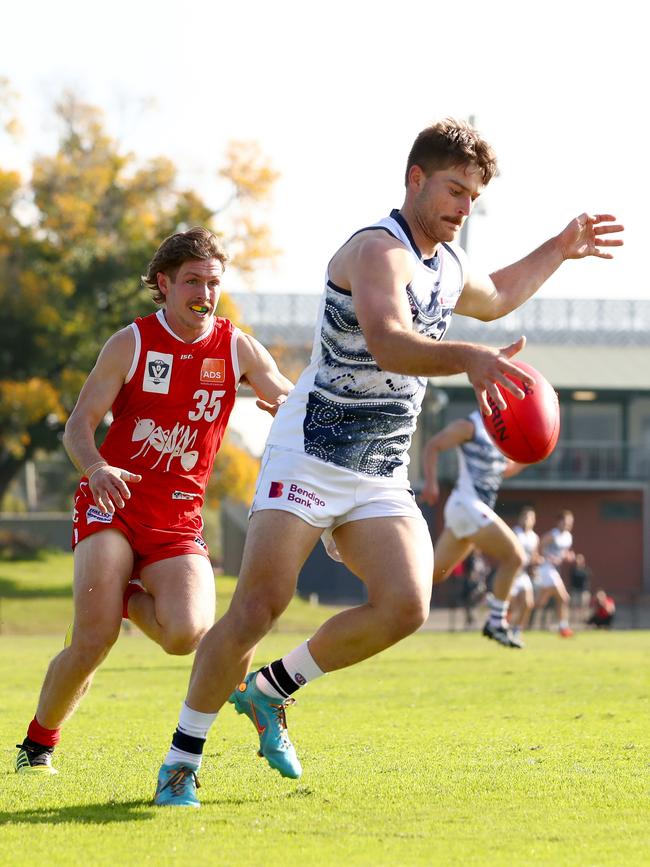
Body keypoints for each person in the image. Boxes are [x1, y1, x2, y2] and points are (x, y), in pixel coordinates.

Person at [152, 118, 623, 807]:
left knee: (407, 603)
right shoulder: (378, 250)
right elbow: (389, 340)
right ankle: (180, 761)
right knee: (258, 606)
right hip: (310, 449)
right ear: (414, 179)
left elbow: (493, 297)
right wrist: (468, 358)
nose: (463, 207)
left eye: (473, 197)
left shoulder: (448, 263)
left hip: (378, 464)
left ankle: (269, 690)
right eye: (454, 190)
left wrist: (560, 246)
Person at [14, 226, 292, 775]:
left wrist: (289, 407)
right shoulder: (131, 343)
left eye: (213, 282)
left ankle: (124, 596)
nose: (205, 294)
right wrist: (95, 469)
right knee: (93, 640)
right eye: (192, 281)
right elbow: (78, 427)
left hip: (179, 519)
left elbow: (286, 392)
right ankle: (37, 748)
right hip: (111, 505)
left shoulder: (236, 347)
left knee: (187, 635)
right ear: (163, 284)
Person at [421, 410, 527, 647]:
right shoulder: (470, 425)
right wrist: (430, 482)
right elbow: (432, 446)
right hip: (467, 505)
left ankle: (386, 593)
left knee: (432, 575)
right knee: (515, 557)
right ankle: (497, 622)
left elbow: (503, 470)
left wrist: (531, 456)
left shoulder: (502, 435)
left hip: (467, 510)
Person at [535, 510, 576, 637]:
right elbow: (539, 548)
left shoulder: (568, 537)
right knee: (564, 598)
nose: (567, 524)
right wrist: (547, 557)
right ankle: (564, 628)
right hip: (545, 569)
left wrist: (568, 556)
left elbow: (562, 553)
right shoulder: (552, 535)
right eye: (565, 522)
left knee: (540, 602)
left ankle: (510, 613)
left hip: (554, 571)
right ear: (559, 522)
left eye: (570, 522)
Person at [508, 506, 542, 642]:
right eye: (525, 517)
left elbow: (534, 555)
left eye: (530, 517)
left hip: (523, 574)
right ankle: (506, 627)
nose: (527, 520)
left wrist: (537, 562)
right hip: (512, 573)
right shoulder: (514, 533)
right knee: (511, 606)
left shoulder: (534, 537)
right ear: (520, 518)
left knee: (528, 604)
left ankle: (517, 630)